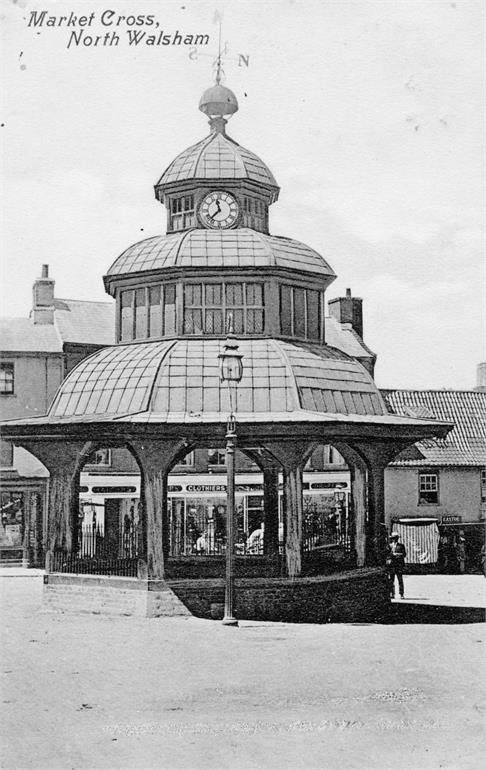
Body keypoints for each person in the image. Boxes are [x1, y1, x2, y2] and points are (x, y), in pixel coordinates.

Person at [386, 532, 407, 599]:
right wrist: (391, 556)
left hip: (399, 565)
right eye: (393, 538)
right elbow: (387, 555)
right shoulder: (390, 546)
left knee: (400, 580)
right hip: (392, 565)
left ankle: (401, 594)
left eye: (396, 538)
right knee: (391, 580)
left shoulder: (401, 546)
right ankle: (392, 593)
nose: (395, 540)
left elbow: (404, 554)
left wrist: (397, 555)